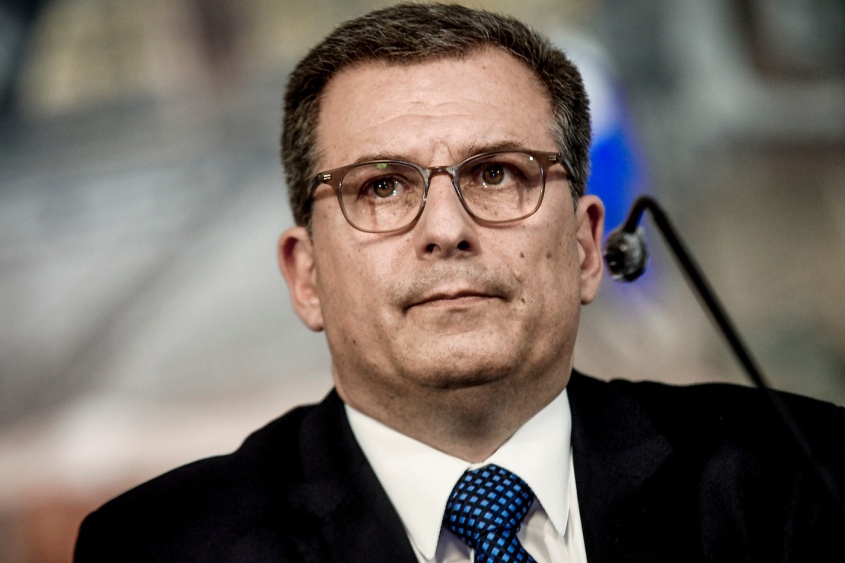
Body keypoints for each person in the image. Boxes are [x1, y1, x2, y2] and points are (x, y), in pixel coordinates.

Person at [74, 3, 844, 562]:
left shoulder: (803, 475)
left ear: (585, 247)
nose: (446, 228)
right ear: (306, 277)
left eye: (497, 173)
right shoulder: (162, 546)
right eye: (380, 187)